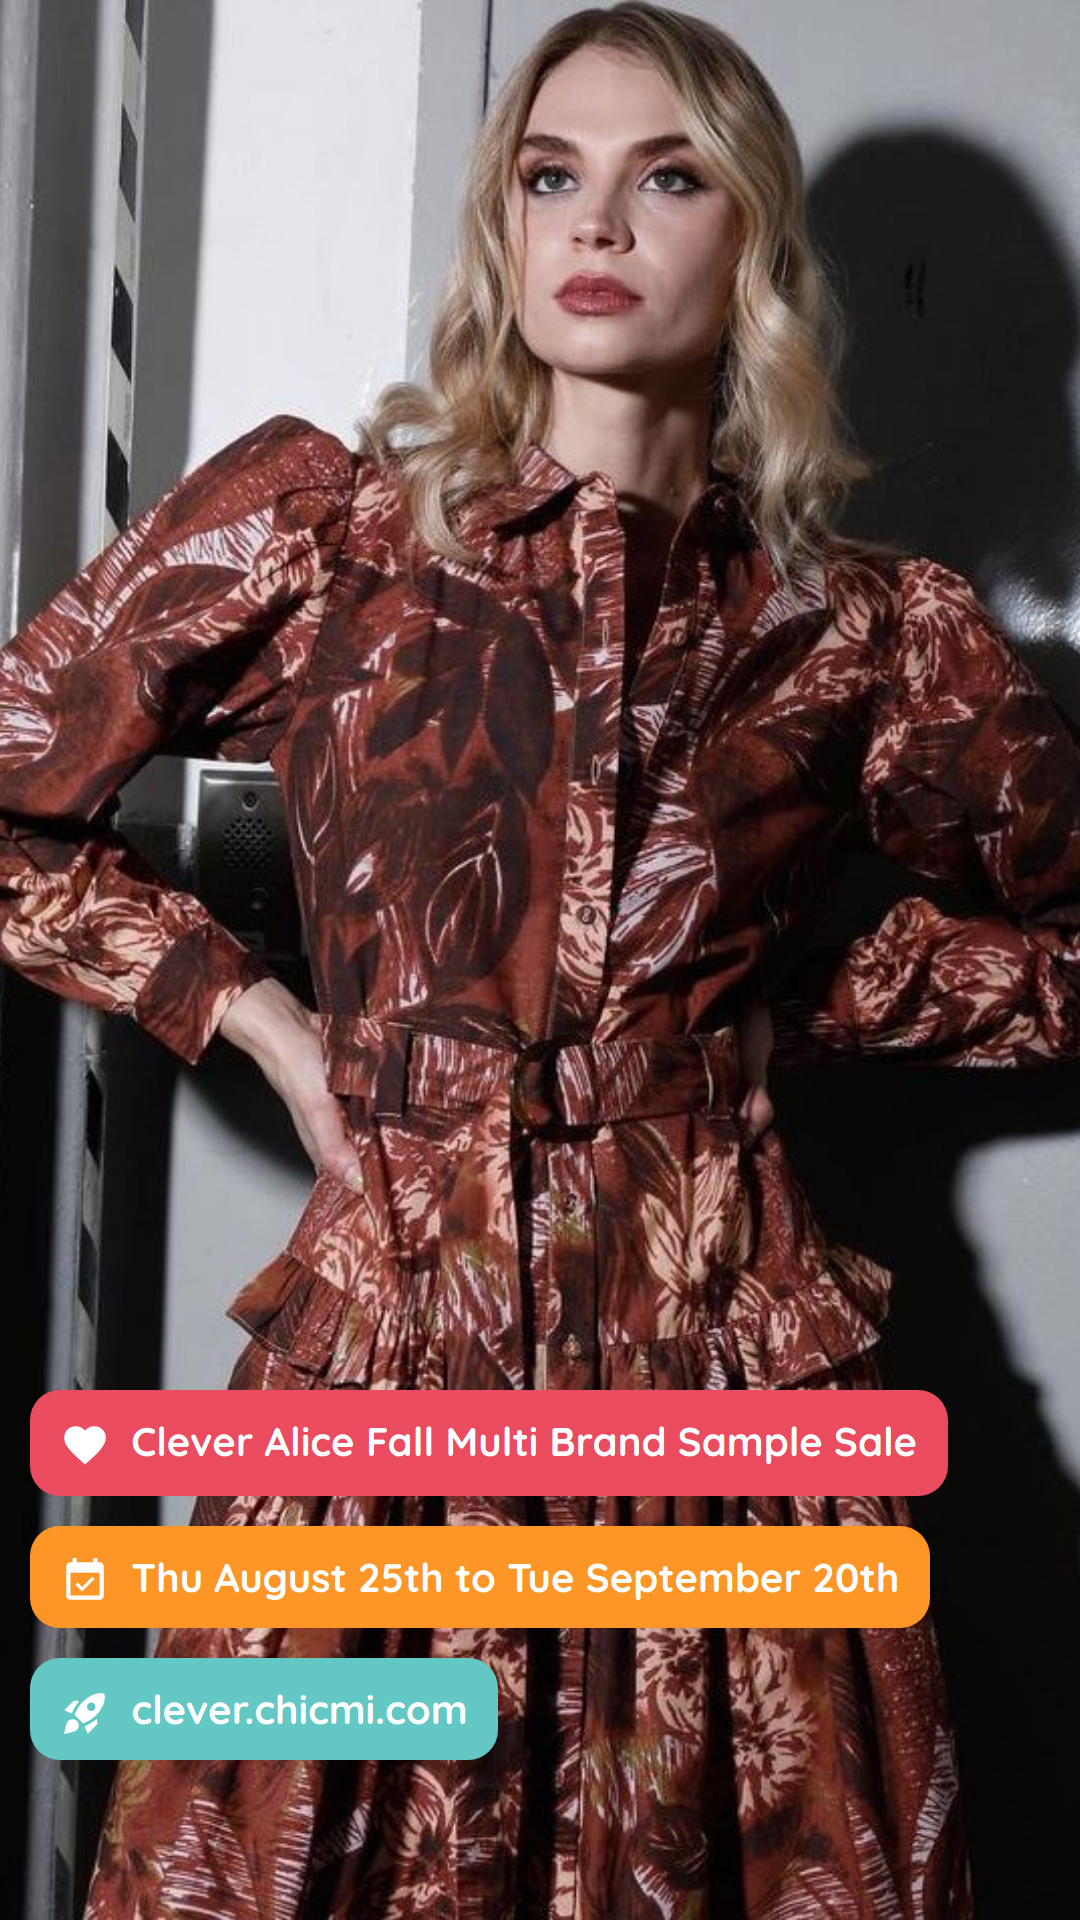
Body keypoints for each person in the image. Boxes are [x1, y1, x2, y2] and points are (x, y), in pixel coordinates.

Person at [4, 3, 1078, 1913]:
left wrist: (798, 1017)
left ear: (750, 240)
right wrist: (254, 1018)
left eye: (668, 179)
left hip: (713, 1362)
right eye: (550, 175)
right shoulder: (330, 538)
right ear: (503, 227)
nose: (597, 222)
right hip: (389, 1345)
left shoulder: (861, 635)